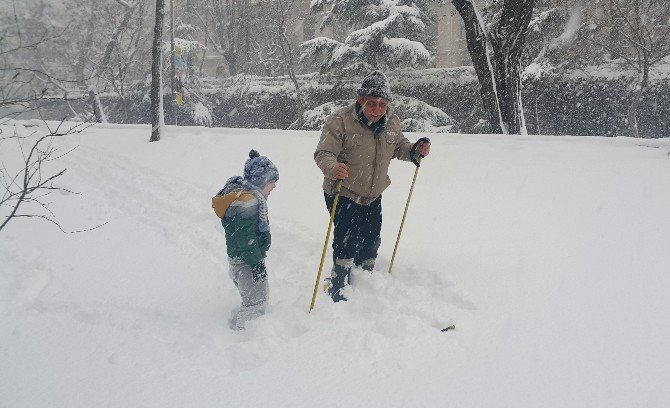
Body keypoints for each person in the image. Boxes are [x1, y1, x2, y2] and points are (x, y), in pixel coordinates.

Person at [314, 70, 431, 302]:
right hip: (343, 191)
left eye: (382, 104)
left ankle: (365, 280)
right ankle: (338, 283)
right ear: (360, 100)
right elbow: (324, 153)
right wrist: (333, 167)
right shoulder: (340, 121)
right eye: (372, 103)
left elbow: (399, 147)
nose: (377, 109)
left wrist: (415, 150)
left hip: (373, 194)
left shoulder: (392, 123)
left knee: (371, 239)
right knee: (347, 238)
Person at [213, 150, 279, 329]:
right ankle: (245, 339)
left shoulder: (245, 197)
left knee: (256, 301)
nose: (274, 186)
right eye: (271, 182)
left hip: (242, 263)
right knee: (256, 305)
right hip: (247, 264)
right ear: (261, 180)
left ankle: (247, 332)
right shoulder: (248, 203)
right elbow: (245, 238)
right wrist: (256, 264)